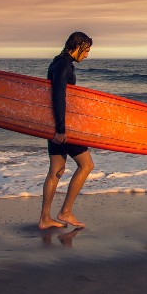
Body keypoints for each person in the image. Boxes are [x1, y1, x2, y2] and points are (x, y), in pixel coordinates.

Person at [39, 31, 95, 230]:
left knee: (56, 170)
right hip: (63, 127)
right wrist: (62, 130)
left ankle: (45, 218)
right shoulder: (63, 66)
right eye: (86, 50)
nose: (87, 55)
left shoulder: (58, 62)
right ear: (78, 46)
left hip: (54, 125)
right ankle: (66, 211)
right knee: (86, 165)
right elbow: (58, 97)